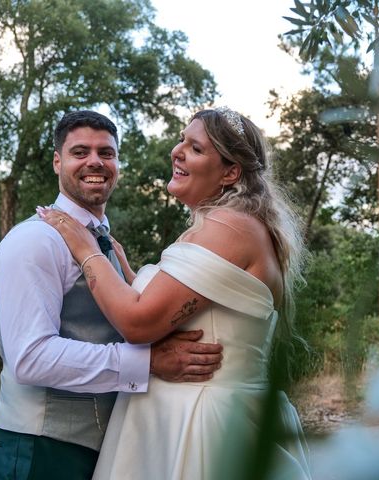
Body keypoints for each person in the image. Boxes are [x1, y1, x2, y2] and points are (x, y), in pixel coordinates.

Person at [41, 107, 312, 479]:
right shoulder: (232, 225)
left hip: (203, 423)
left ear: (231, 172)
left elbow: (139, 322)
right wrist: (129, 272)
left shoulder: (227, 227)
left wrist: (85, 248)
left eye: (196, 148)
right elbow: (192, 312)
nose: (177, 151)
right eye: (182, 140)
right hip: (195, 414)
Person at [0, 110, 223, 480]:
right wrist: (146, 362)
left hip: (99, 451)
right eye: (80, 152)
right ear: (57, 161)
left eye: (106, 153)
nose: (95, 161)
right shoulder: (34, 240)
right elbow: (30, 358)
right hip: (39, 451)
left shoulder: (104, 244)